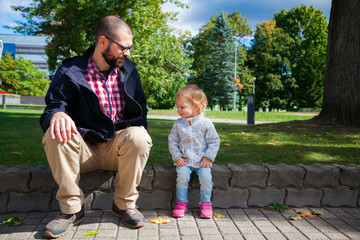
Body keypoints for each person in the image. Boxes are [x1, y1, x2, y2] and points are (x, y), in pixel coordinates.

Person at [40, 15, 152, 238]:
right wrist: (58, 114)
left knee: (139, 136)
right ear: (103, 41)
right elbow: (52, 108)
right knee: (55, 132)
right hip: (82, 151)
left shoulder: (129, 70)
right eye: (123, 47)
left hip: (116, 150)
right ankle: (71, 211)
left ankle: (124, 205)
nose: (127, 53)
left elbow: (141, 112)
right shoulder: (69, 71)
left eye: (130, 48)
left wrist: (140, 137)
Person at [168, 85, 220, 219]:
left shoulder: (206, 124)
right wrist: (177, 156)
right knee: (181, 178)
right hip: (184, 161)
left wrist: (208, 157)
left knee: (206, 179)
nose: (179, 110)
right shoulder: (178, 124)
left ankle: (206, 204)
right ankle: (181, 203)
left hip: (202, 161)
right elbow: (172, 141)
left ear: (195, 106)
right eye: (177, 107)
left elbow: (214, 141)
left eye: (182, 107)